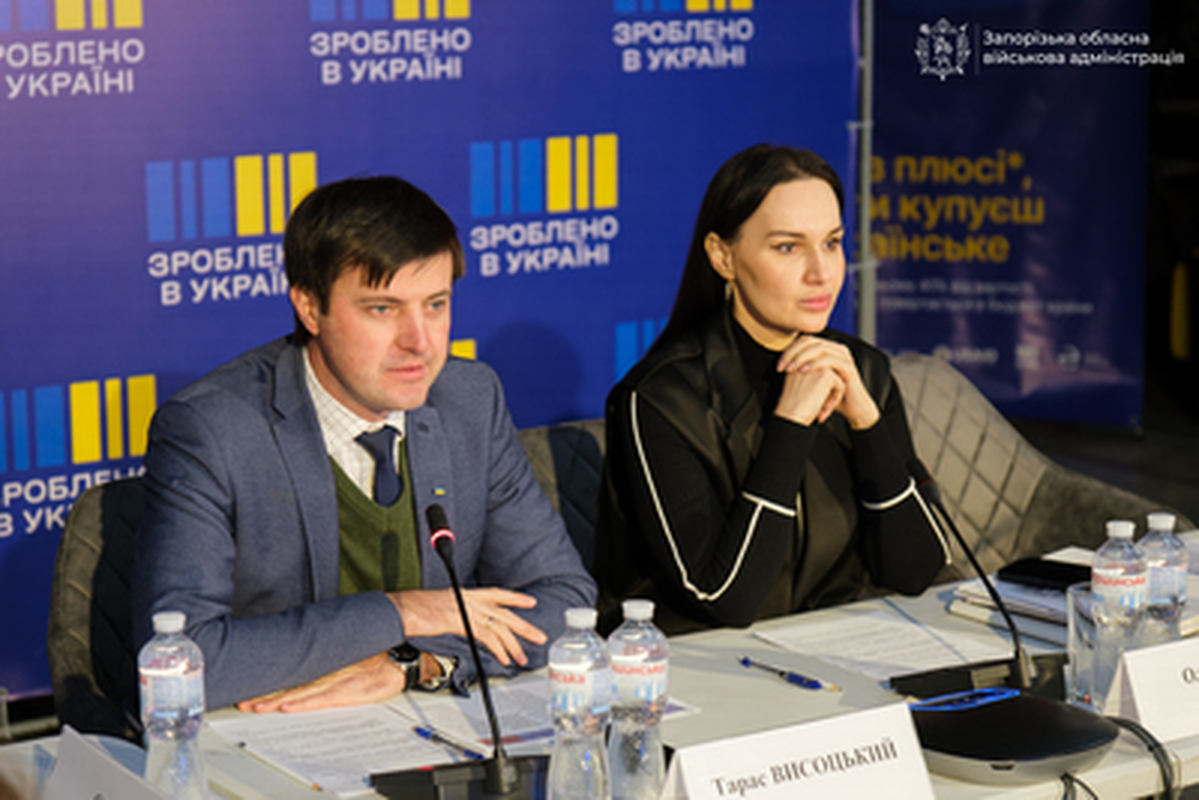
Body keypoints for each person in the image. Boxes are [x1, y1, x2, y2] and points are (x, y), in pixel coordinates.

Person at [132, 176, 596, 713]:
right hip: (265, 736)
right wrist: (403, 612)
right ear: (310, 308)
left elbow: (563, 602)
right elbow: (180, 660)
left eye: (436, 305)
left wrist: (414, 661)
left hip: (422, 724)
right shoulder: (212, 430)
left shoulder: (469, 400)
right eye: (383, 309)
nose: (419, 342)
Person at [596, 145, 950, 635]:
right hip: (696, 661)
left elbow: (916, 573)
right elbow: (723, 599)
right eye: (788, 247)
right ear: (723, 256)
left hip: (832, 651)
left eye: (832, 242)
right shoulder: (658, 400)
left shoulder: (862, 371)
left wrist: (868, 425)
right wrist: (788, 426)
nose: (821, 273)